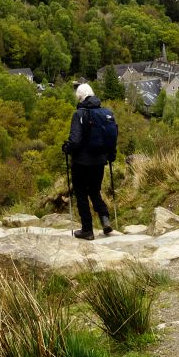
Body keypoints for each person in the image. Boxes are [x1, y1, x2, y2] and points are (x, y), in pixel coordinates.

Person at [62, 83, 115, 240]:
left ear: (79, 97)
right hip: (99, 161)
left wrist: (67, 147)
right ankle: (105, 219)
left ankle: (87, 230)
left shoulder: (79, 114)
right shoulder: (105, 113)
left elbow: (75, 140)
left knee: (81, 193)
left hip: (81, 162)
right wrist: (110, 155)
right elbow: (111, 137)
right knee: (95, 191)